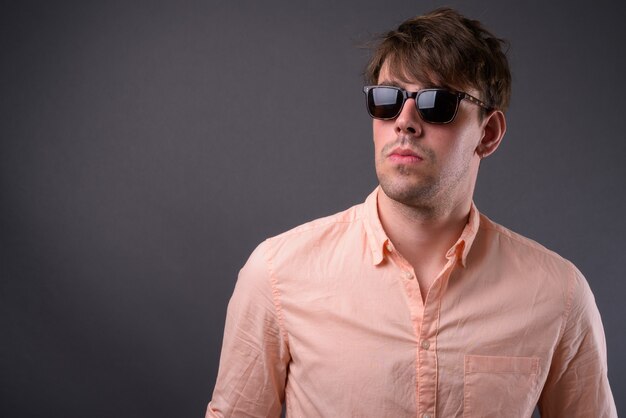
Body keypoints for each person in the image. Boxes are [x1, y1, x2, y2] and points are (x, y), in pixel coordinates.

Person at [206, 7, 616, 418]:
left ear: (487, 133)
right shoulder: (277, 274)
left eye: (437, 103)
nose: (405, 121)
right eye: (387, 99)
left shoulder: (558, 296)